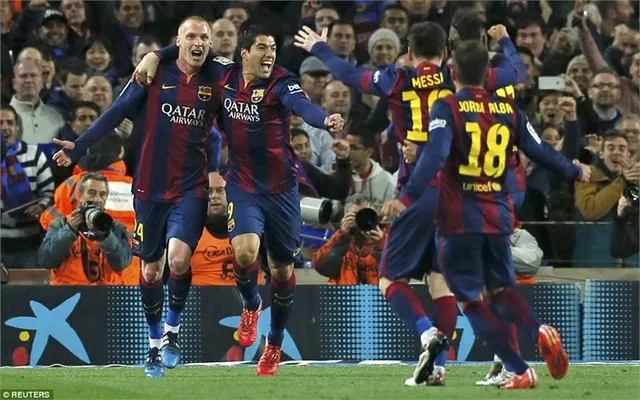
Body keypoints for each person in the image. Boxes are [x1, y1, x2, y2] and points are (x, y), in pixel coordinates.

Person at [294, 21, 526, 386]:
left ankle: (427, 333)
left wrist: (320, 48)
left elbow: (350, 75)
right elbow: (515, 73)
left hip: (417, 191)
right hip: (462, 193)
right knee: (442, 284)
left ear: (409, 52)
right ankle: (441, 367)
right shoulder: (457, 80)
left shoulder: (396, 79)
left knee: (390, 279)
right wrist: (506, 43)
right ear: (446, 53)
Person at [134, 24, 344, 376]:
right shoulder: (224, 74)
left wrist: (325, 119)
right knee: (244, 253)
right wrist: (154, 56)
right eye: (262, 47)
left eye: (273, 47)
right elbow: (188, 50)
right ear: (244, 53)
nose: (269, 54)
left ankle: (274, 343)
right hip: (242, 185)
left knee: (281, 269)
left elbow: (302, 107)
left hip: (281, 190)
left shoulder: (282, 82)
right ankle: (251, 304)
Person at [406, 40, 591, 390]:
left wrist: (407, 196)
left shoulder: (447, 106)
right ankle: (538, 331)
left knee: (469, 301)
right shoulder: (508, 109)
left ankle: (520, 367)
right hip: (499, 215)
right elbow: (539, 149)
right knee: (501, 292)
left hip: (460, 218)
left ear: (452, 72)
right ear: (488, 74)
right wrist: (574, 170)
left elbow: (436, 154)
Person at [51, 16, 225, 378]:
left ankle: (173, 331)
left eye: (204, 38)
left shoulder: (217, 78)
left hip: (190, 189)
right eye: (191, 36)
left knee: (178, 259)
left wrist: (219, 168)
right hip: (149, 188)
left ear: (211, 43)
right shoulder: (152, 75)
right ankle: (153, 343)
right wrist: (80, 146)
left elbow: (228, 125)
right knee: (150, 269)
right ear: (178, 41)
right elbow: (116, 112)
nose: (198, 43)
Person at [37, 172, 132, 285]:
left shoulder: (114, 227)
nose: (97, 199)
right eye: (92, 193)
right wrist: (69, 230)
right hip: (68, 292)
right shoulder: (61, 224)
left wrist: (105, 236)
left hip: (105, 292)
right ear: (80, 195)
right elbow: (46, 261)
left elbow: (121, 264)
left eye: (102, 194)